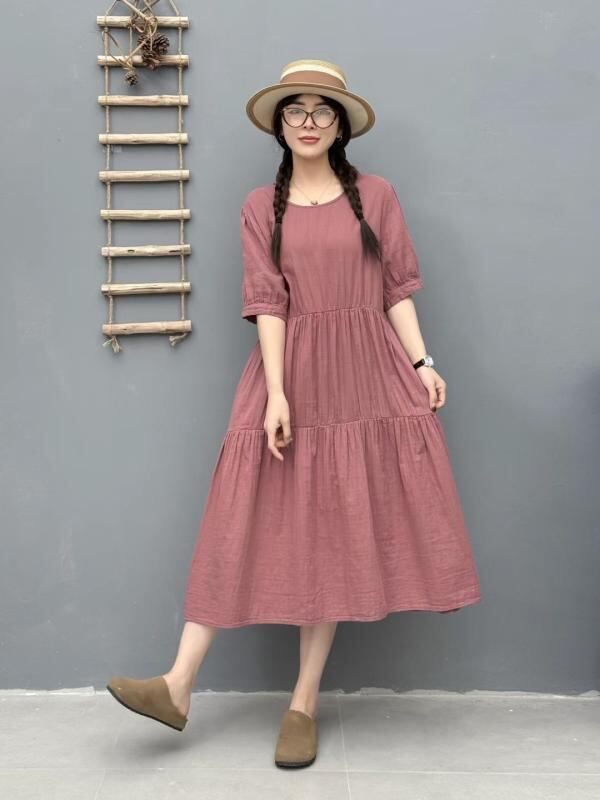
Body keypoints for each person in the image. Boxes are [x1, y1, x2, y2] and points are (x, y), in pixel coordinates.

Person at [106, 58, 482, 769]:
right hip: (290, 371)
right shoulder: (260, 206)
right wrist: (278, 392)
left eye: (322, 109)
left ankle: (303, 703)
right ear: (279, 125)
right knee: (237, 515)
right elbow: (267, 302)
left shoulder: (376, 195)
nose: (308, 121)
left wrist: (422, 362)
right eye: (295, 109)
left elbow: (396, 289)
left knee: (335, 529)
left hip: (365, 375)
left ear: (340, 125)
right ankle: (178, 684)